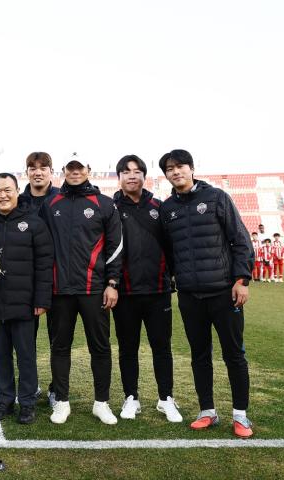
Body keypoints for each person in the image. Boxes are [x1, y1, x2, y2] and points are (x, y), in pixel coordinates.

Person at [158, 149, 254, 438]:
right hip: (190, 296)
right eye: (170, 169)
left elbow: (240, 240)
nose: (176, 172)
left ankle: (240, 415)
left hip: (224, 292)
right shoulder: (167, 209)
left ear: (191, 168)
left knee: (234, 354)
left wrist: (242, 280)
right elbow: (169, 251)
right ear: (166, 175)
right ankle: (207, 411)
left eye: (180, 166)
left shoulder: (216, 198)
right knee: (199, 355)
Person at [39, 157, 123, 425]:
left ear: (88, 170)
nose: (75, 172)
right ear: (63, 171)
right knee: (59, 346)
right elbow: (41, 245)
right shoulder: (51, 204)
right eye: (70, 169)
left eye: (80, 168)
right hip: (60, 290)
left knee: (100, 347)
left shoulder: (104, 204)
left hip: (94, 289)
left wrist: (112, 283)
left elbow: (115, 246)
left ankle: (102, 403)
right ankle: (62, 402)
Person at [0, 173, 53, 425]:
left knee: (26, 356)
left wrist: (41, 299)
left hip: (25, 303)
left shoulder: (34, 222)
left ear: (18, 191)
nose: (3, 195)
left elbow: (44, 264)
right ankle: (6, 400)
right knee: (1, 355)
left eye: (7, 190)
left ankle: (27, 403)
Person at [111, 155, 182, 423]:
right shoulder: (110, 209)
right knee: (127, 349)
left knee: (161, 348)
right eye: (126, 171)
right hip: (125, 292)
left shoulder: (159, 207)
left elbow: (172, 247)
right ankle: (131, 398)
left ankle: (166, 399)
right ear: (119, 177)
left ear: (144, 176)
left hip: (158, 291)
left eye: (137, 171)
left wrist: (172, 276)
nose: (132, 176)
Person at [18, 151, 60, 401]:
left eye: (43, 168)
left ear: (51, 172)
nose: (38, 172)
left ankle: (57, 389)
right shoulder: (19, 201)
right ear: (27, 173)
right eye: (32, 168)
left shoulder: (62, 199)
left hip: (58, 278)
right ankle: (29, 386)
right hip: (25, 280)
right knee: (25, 341)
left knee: (58, 339)